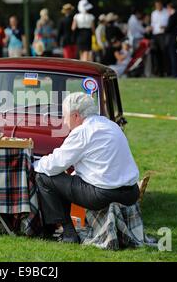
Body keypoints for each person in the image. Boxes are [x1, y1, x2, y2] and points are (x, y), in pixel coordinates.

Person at [34, 92, 140, 243]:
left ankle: (69, 233)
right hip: (131, 193)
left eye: (65, 116)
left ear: (76, 115)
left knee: (43, 176)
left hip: (103, 194)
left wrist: (33, 164)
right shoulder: (111, 125)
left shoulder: (82, 131)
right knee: (61, 178)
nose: (65, 122)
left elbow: (54, 165)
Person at [165, 2, 177, 78]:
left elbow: (168, 28)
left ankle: (174, 73)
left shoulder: (172, 16)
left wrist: (165, 29)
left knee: (173, 56)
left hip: (173, 38)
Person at [150, 0, 170, 76]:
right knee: (156, 53)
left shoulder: (166, 12)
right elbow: (153, 24)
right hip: (155, 35)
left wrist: (165, 27)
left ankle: (166, 71)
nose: (158, 6)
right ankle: (159, 72)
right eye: (156, 5)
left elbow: (169, 23)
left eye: (159, 5)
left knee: (164, 53)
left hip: (163, 34)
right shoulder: (154, 13)